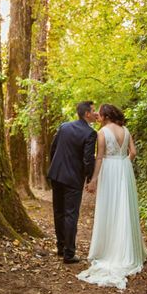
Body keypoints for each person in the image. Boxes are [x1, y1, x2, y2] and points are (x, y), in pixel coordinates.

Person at [77, 103, 147, 288]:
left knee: (110, 207)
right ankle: (129, 249)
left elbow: (100, 157)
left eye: (99, 114)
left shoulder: (102, 133)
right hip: (124, 170)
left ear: (106, 116)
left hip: (109, 170)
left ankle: (110, 250)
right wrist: (124, 163)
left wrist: (93, 179)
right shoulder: (125, 130)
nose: (97, 116)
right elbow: (132, 152)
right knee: (125, 206)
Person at [48, 101, 98, 264]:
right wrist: (89, 177)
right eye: (93, 110)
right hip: (73, 178)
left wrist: (53, 166)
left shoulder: (64, 126)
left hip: (57, 174)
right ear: (87, 114)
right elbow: (88, 159)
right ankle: (69, 254)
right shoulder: (90, 133)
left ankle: (61, 247)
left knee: (59, 211)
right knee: (71, 214)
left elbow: (53, 148)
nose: (96, 112)